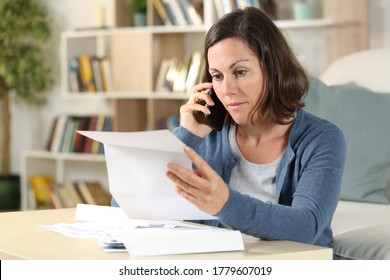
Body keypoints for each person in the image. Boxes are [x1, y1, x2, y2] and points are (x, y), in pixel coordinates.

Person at [165, 7, 346, 255]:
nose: (226, 89)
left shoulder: (321, 138)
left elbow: (307, 225)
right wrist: (187, 136)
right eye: (217, 76)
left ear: (273, 71)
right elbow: (131, 207)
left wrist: (225, 203)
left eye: (240, 72)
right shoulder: (206, 134)